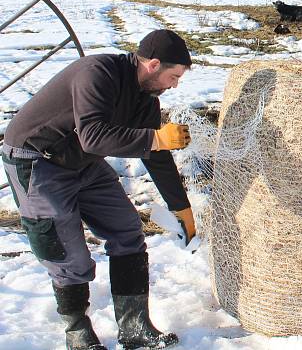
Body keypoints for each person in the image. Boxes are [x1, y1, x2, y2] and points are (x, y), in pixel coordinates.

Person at [2, 29, 196, 350]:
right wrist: (155, 137)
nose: (175, 84)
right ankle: (77, 331)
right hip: (38, 159)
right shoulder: (97, 73)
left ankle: (135, 326)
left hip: (82, 162)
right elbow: (93, 135)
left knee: (127, 230)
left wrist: (181, 208)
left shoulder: (144, 98)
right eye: (173, 76)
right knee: (65, 250)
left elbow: (155, 154)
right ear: (153, 65)